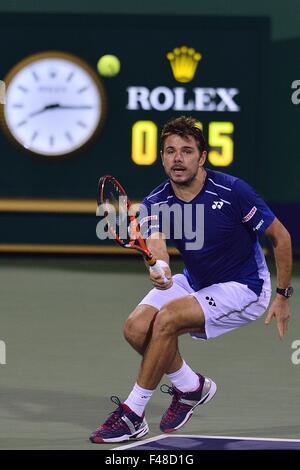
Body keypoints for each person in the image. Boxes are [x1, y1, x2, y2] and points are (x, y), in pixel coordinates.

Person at [90, 116, 293, 444]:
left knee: (167, 319)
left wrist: (283, 295)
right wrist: (160, 269)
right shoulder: (157, 201)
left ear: (201, 158)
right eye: (170, 151)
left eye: (186, 151)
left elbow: (280, 238)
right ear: (162, 158)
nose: (177, 158)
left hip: (245, 286)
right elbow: (156, 244)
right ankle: (190, 387)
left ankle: (132, 413)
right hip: (197, 280)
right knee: (136, 328)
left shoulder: (232, 191)